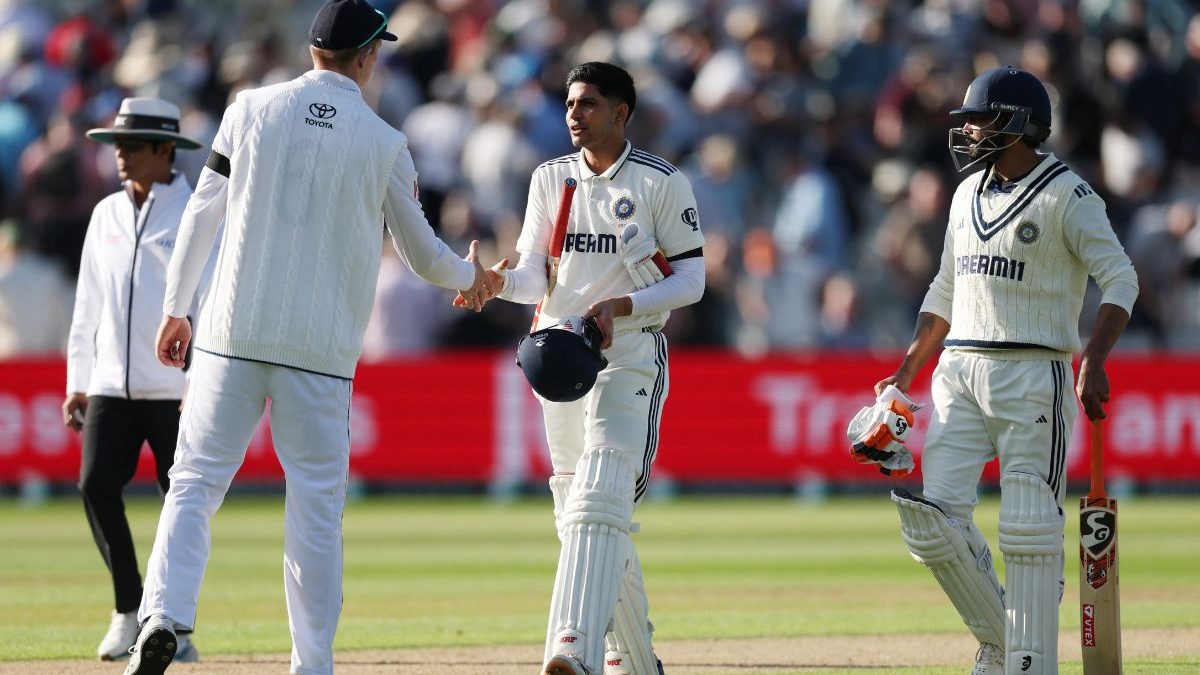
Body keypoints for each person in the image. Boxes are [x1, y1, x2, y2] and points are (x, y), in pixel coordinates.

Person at [123, 1, 493, 673]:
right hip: (320, 355)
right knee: (315, 508)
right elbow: (423, 257)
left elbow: (203, 210)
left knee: (195, 483)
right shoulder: (384, 142)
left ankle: (165, 615)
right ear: (367, 57)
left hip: (234, 330)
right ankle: (312, 662)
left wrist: (176, 307)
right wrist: (476, 277)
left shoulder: (248, 110)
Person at [871, 67, 1138, 675]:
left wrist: (1094, 355)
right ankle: (1005, 639)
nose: (966, 129)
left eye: (979, 117)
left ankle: (1026, 661)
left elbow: (1121, 277)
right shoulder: (965, 194)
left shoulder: (1068, 196)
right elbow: (945, 288)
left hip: (1033, 372)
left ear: (1017, 122)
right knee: (931, 523)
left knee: (1028, 529)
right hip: (958, 369)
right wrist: (906, 372)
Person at [470, 62, 705, 675]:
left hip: (628, 353)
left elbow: (693, 280)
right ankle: (634, 657)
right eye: (571, 104)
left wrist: (622, 305)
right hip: (560, 358)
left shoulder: (661, 182)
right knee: (575, 508)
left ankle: (571, 650)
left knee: (601, 496)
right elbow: (533, 276)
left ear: (622, 114)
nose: (574, 115)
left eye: (590, 105)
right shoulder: (550, 178)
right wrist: (495, 284)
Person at [63, 96, 206, 663]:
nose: (119, 155)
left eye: (130, 145)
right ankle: (129, 610)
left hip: (175, 389)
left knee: (181, 503)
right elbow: (87, 305)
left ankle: (175, 624)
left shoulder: (196, 210)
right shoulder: (104, 215)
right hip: (109, 384)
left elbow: (209, 302)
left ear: (164, 150)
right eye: (116, 145)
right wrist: (78, 379)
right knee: (95, 484)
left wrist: (200, 377)